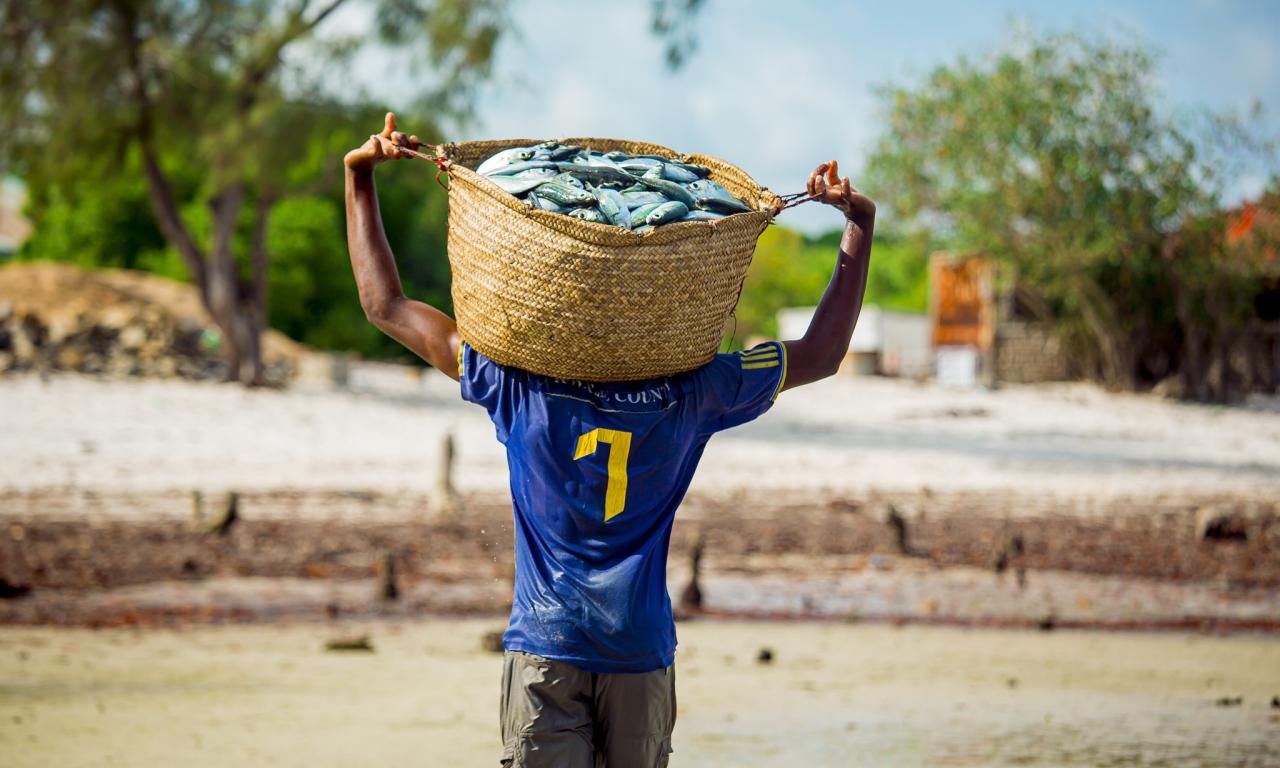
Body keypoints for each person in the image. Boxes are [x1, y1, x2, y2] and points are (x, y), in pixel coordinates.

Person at [344, 113, 875, 767]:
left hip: (546, 646)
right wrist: (858, 225)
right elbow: (821, 353)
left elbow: (386, 306)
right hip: (639, 651)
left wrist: (360, 178)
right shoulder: (695, 391)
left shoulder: (517, 384)